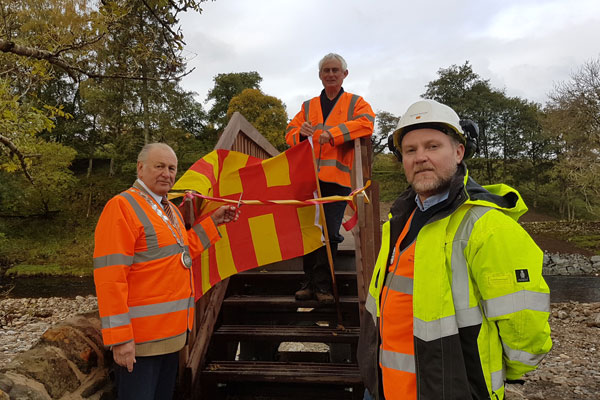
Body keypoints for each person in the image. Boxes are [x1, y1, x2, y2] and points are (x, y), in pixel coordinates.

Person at [357, 99, 552, 399]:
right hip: (383, 389)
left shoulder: (488, 227)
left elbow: (525, 335)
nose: (420, 157)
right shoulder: (398, 223)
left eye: (433, 146)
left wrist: (479, 380)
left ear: (459, 152)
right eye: (411, 150)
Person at [93, 143, 239, 400]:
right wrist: (120, 339)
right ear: (140, 168)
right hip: (140, 342)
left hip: (172, 337)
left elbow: (181, 252)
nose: (167, 174)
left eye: (171, 168)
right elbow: (109, 277)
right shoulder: (122, 207)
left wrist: (214, 221)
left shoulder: (168, 208)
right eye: (159, 166)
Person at [286, 53, 375, 303]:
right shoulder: (307, 106)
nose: (331, 74)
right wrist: (301, 134)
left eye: (336, 70)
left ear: (345, 74)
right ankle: (308, 283)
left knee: (330, 232)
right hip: (308, 180)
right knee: (309, 231)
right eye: (326, 70)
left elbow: (367, 124)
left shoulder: (355, 103)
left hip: (336, 179)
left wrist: (333, 134)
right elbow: (289, 134)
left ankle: (323, 285)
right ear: (320, 75)